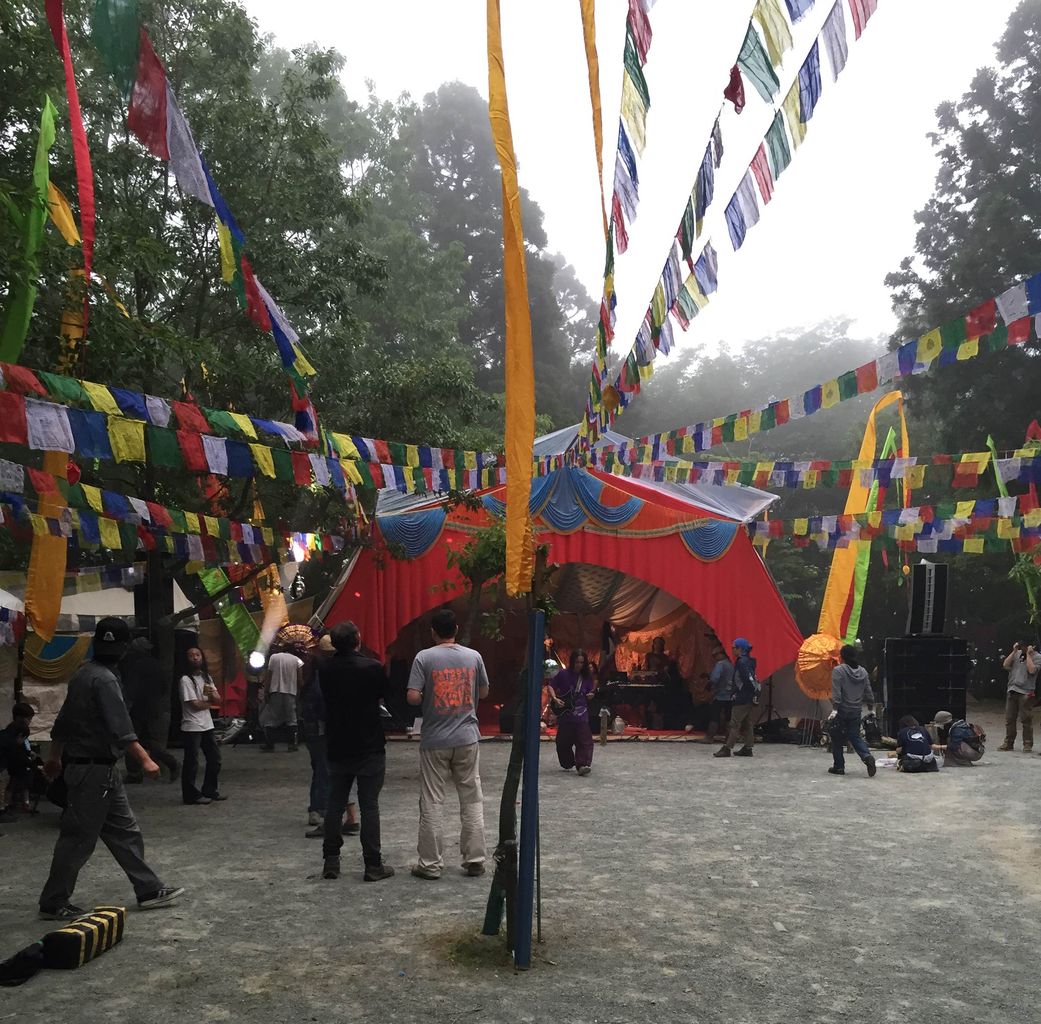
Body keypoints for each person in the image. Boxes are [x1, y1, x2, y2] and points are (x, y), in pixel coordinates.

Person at [37, 617, 184, 920]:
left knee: (125, 832)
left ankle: (148, 888)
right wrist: (145, 759)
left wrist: (54, 757)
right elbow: (121, 728)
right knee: (78, 839)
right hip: (93, 771)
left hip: (99, 770)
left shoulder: (82, 675)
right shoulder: (105, 680)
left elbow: (62, 723)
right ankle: (53, 901)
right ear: (125, 648)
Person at [406, 607, 489, 880]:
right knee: (471, 797)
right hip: (467, 737)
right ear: (456, 629)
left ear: (433, 632)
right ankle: (475, 859)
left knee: (432, 799)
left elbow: (412, 697)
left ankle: (430, 864)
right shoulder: (473, 656)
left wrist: (429, 694)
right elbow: (484, 692)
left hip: (435, 738)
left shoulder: (424, 657)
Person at [317, 622, 393, 882]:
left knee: (335, 802)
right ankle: (372, 863)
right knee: (369, 804)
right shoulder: (372, 667)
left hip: (338, 743)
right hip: (369, 742)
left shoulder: (325, 669)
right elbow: (384, 695)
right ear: (358, 639)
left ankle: (331, 860)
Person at [302, 635, 359, 838]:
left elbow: (317, 703)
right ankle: (348, 816)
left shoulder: (320, 672)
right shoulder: (348, 670)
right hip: (341, 728)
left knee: (324, 770)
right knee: (337, 770)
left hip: (322, 728)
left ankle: (326, 814)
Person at [122, 637, 179, 784]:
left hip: (138, 708)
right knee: (148, 740)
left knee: (131, 739)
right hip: (154, 708)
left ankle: (134, 773)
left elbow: (131, 689)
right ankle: (170, 762)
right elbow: (164, 686)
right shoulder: (156, 664)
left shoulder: (136, 666)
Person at [179, 648, 225, 806]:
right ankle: (190, 795)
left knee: (215, 759)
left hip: (207, 724)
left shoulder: (206, 677)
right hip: (192, 725)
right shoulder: (186, 680)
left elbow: (217, 699)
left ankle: (210, 790)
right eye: (191, 655)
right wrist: (210, 703)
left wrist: (212, 697)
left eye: (197, 655)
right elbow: (194, 704)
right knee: (192, 763)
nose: (195, 658)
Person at [826, 644, 877, 777]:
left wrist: (834, 709)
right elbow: (868, 691)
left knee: (837, 737)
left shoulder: (838, 671)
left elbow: (837, 692)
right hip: (856, 710)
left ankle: (839, 766)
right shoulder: (863, 672)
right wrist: (870, 707)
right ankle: (867, 756)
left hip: (841, 710)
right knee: (855, 736)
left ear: (841, 657)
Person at [548, 649, 597, 775]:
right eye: (577, 662)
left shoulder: (587, 677)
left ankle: (583, 764)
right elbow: (551, 686)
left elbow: (589, 691)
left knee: (585, 741)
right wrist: (555, 698)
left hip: (581, 713)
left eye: (581, 662)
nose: (579, 665)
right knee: (562, 742)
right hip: (566, 714)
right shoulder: (563, 674)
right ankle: (568, 762)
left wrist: (591, 695)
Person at [714, 638, 759, 758]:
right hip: (748, 697)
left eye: (734, 647)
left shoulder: (742, 662)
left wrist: (738, 692)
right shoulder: (748, 661)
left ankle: (727, 748)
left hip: (741, 697)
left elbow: (747, 680)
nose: (732, 650)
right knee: (747, 723)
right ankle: (748, 747)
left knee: (734, 723)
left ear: (740, 649)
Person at [260, 646, 303, 752]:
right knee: (291, 718)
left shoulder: (274, 657)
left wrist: (266, 691)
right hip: (291, 692)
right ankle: (292, 744)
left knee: (271, 718)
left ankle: (270, 744)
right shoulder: (297, 660)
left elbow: (269, 675)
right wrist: (300, 692)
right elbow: (300, 680)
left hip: (275, 690)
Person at [999, 641, 1038, 751]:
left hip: (1026, 691)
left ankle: (1027, 744)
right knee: (1010, 718)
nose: (1023, 648)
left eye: (1025, 646)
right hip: (1012, 689)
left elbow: (1032, 670)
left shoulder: (1037, 657)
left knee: (1026, 719)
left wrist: (1029, 655)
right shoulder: (1017, 654)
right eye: (1021, 645)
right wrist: (1014, 651)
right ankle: (1008, 743)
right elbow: (1005, 665)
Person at [1, 703, 37, 820]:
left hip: (7, 766)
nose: (30, 722)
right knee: (5, 787)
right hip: (5, 767)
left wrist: (28, 754)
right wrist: (32, 764)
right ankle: (3, 810)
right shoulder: (13, 736)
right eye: (28, 719)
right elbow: (17, 755)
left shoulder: (10, 732)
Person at [706, 648, 734, 742]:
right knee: (729, 717)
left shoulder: (720, 664)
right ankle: (729, 738)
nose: (714, 658)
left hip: (720, 695)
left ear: (721, 654)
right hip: (731, 695)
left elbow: (714, 678)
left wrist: (710, 686)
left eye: (715, 655)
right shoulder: (731, 664)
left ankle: (710, 737)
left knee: (714, 716)